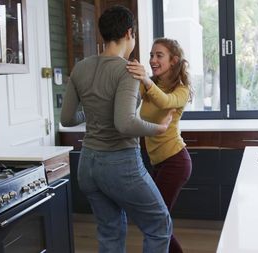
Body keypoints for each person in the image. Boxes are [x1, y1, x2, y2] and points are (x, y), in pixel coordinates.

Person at [60, 6, 173, 253]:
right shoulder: (128, 70)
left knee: (109, 232)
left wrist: (91, 113)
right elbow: (125, 124)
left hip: (87, 164)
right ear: (129, 33)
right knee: (159, 225)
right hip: (120, 164)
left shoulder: (80, 68)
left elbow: (67, 118)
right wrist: (160, 128)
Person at [126, 37, 194, 253]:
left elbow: (165, 101)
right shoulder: (152, 85)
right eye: (151, 55)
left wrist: (145, 79)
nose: (153, 60)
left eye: (159, 55)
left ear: (173, 61)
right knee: (156, 219)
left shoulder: (181, 89)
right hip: (158, 163)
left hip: (175, 161)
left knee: (155, 219)